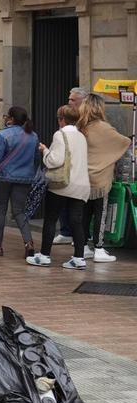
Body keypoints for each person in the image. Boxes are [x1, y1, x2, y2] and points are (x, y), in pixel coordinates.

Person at [29, 104, 89, 268]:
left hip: (62, 185)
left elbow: (55, 160)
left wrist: (45, 151)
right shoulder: (82, 136)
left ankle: (44, 256)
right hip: (81, 185)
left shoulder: (60, 135)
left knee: (51, 218)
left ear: (62, 120)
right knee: (76, 222)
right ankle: (78, 258)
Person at [77, 94, 130, 264]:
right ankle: (99, 248)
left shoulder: (81, 127)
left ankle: (83, 246)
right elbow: (124, 142)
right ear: (100, 108)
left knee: (84, 214)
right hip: (100, 181)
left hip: (83, 179)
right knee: (101, 214)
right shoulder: (105, 128)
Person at [0, 106, 40, 257]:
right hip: (25, 179)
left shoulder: (2, 136)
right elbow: (36, 159)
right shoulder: (33, 136)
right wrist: (30, 173)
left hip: (3, 178)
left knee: (0, 210)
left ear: (12, 119)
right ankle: (28, 243)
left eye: (7, 116)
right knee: (19, 211)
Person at [52, 87, 93, 246]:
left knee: (78, 209)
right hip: (67, 168)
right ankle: (65, 232)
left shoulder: (86, 120)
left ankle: (81, 239)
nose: (69, 102)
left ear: (83, 101)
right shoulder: (69, 117)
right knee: (64, 201)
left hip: (80, 167)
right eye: (69, 99)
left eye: (73, 99)